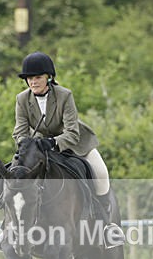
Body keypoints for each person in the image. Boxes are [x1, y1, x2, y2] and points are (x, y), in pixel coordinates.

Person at [12, 51, 124, 246]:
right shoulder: (22, 99)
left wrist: (53, 142)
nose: (33, 82)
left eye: (37, 77)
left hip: (76, 144)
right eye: (29, 78)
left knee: (101, 173)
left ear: (49, 77)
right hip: (40, 147)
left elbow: (72, 132)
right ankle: (7, 227)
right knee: (12, 172)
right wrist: (28, 146)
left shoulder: (64, 95)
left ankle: (106, 226)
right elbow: (19, 132)